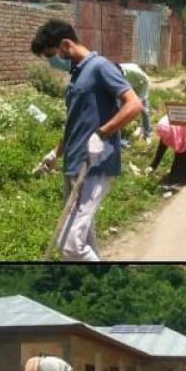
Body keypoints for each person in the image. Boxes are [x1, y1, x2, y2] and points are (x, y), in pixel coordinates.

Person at [32, 20, 143, 262]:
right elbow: (75, 124)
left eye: (52, 55)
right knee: (83, 240)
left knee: (70, 244)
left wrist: (103, 133)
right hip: (73, 166)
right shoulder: (77, 76)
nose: (52, 61)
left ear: (65, 45)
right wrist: (54, 154)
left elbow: (134, 104)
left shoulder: (100, 67)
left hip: (95, 166)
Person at [120, 63, 152, 141]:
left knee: (144, 109)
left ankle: (147, 134)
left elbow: (146, 80)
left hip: (141, 84)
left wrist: (142, 98)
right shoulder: (113, 73)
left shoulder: (133, 71)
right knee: (122, 108)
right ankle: (120, 133)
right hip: (129, 87)